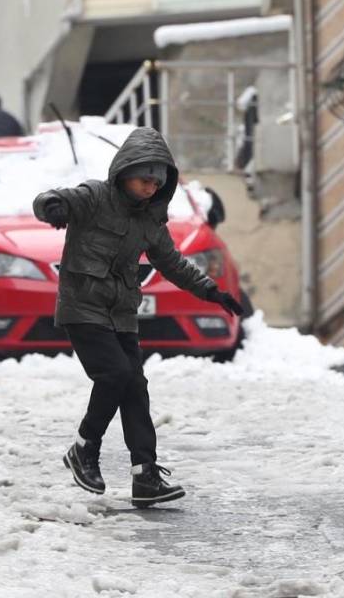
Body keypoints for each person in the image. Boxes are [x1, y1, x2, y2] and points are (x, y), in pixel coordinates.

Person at [32, 127, 244, 508]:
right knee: (114, 375)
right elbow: (50, 198)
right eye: (145, 179)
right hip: (83, 307)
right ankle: (84, 448)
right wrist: (53, 208)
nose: (150, 188)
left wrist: (212, 292)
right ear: (126, 171)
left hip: (122, 313)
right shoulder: (94, 197)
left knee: (135, 389)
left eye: (157, 182)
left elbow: (174, 263)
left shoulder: (150, 222)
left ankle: (144, 475)